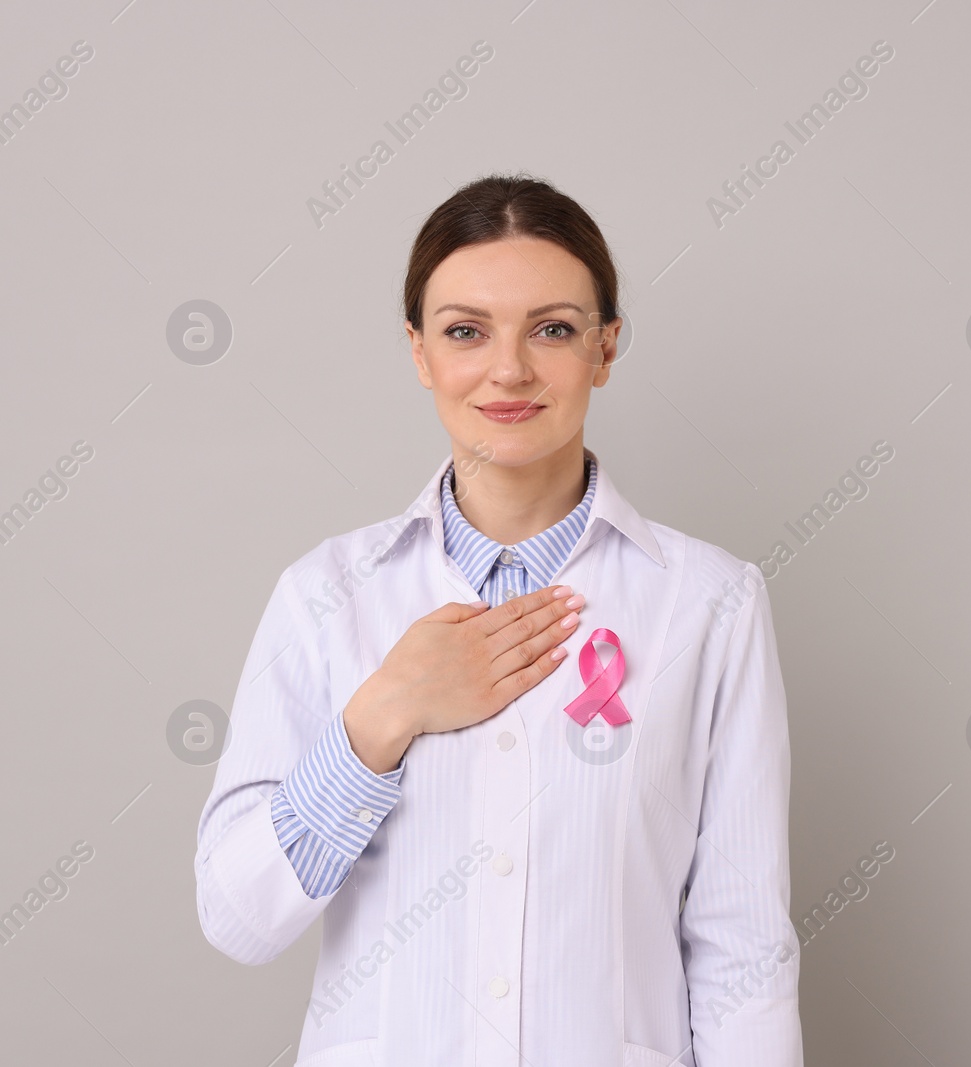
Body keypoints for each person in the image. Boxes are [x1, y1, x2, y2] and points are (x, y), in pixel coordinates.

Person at [194, 174, 802, 1067]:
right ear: (418, 352)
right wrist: (381, 718)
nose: (508, 369)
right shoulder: (325, 595)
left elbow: (742, 944)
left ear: (606, 347)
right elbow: (239, 918)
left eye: (553, 328)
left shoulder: (712, 603)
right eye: (465, 331)